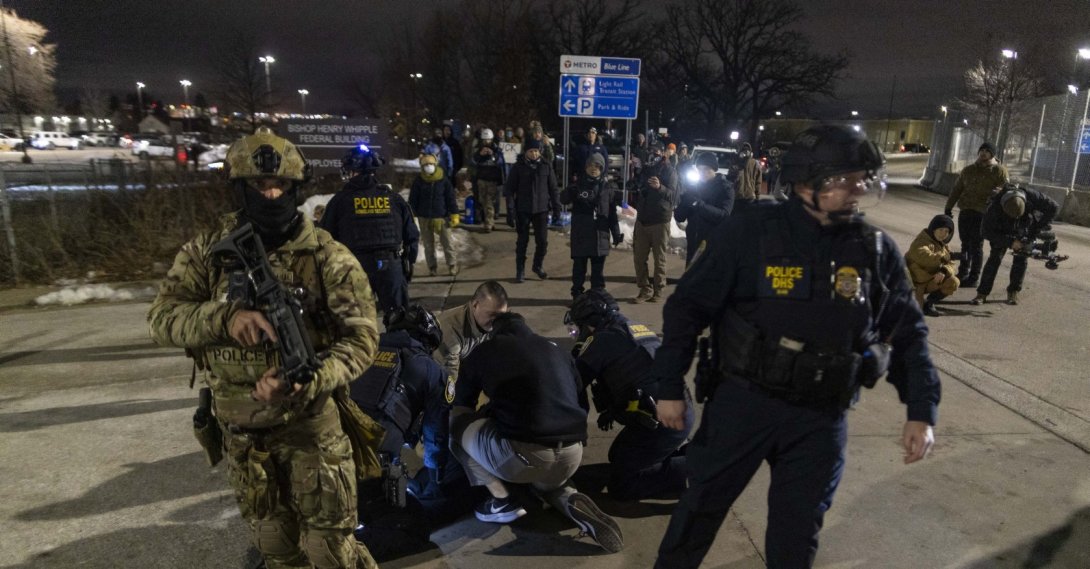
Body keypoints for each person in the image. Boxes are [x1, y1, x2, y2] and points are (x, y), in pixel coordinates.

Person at [650, 125, 940, 569]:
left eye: (864, 178)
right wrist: (668, 385)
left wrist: (921, 409)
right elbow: (687, 308)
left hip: (820, 418)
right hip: (744, 405)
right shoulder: (750, 232)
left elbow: (908, 333)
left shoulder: (872, 249)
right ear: (807, 181)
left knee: (796, 535)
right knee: (697, 514)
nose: (859, 188)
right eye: (847, 178)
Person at [148, 127, 381, 569]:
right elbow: (160, 319)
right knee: (275, 548)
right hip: (244, 440)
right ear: (240, 188)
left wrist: (310, 376)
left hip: (312, 433)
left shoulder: (327, 256)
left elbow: (363, 337)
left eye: (281, 186)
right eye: (259, 185)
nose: (271, 194)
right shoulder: (207, 252)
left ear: (295, 189)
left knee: (331, 553)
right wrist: (224, 318)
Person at [449, 312, 624, 553]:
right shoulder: (558, 350)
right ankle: (570, 498)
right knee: (547, 483)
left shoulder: (488, 349)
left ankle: (501, 500)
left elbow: (462, 404)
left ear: (493, 331)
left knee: (456, 426)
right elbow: (580, 404)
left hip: (523, 456)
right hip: (572, 453)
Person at [566, 290, 693, 500]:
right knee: (617, 457)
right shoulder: (631, 327)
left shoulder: (604, 340)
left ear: (592, 321)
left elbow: (573, 381)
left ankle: (701, 469)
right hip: (673, 414)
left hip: (664, 423)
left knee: (624, 487)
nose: (578, 333)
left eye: (579, 327)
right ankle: (689, 454)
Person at [349, 305, 454, 503]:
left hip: (332, 438)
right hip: (377, 455)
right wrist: (435, 479)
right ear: (429, 339)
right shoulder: (433, 371)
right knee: (391, 512)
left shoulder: (360, 351)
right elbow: (435, 435)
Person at [321, 144, 420, 313]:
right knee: (400, 322)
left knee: (358, 326)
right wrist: (408, 261)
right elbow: (411, 234)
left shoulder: (340, 201)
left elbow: (325, 237)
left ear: (353, 171)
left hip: (354, 269)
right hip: (391, 268)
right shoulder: (393, 199)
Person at [972, 184, 1059, 306]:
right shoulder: (994, 207)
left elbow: (1053, 207)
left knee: (1021, 260)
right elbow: (986, 232)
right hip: (1001, 230)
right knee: (994, 259)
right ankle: (982, 293)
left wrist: (1037, 228)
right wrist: (1010, 242)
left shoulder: (1032, 196)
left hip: (1025, 226)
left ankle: (1013, 291)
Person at [944, 142, 1009, 287]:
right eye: (982, 150)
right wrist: (949, 207)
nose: (983, 153)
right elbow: (957, 189)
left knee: (976, 246)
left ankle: (974, 276)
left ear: (992, 154)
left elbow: (1005, 190)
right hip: (966, 210)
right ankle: (963, 272)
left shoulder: (999, 171)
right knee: (965, 244)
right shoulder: (968, 170)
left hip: (983, 213)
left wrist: (997, 195)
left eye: (987, 151)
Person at [560, 153, 620, 299]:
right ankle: (577, 295)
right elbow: (563, 199)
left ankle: (596, 297)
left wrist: (616, 233)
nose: (594, 169)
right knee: (579, 269)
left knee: (598, 272)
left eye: (598, 166)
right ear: (586, 167)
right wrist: (570, 189)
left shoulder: (608, 188)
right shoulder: (578, 185)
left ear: (602, 169)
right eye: (591, 166)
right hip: (581, 234)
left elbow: (612, 213)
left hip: (600, 235)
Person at [505, 138, 560, 283]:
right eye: (531, 151)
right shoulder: (518, 167)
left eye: (536, 151)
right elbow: (509, 190)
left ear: (540, 151)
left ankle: (537, 265)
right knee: (522, 241)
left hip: (541, 209)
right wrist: (510, 210)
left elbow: (553, 189)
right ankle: (520, 270)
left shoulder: (546, 166)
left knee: (542, 242)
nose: (534, 154)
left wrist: (556, 209)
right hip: (523, 209)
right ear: (526, 152)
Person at [631, 141, 679, 303]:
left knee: (659, 259)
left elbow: (674, 197)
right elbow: (633, 187)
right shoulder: (645, 169)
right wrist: (636, 172)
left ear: (662, 153)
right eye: (650, 152)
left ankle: (658, 290)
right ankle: (645, 288)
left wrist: (660, 187)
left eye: (656, 152)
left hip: (660, 220)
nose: (652, 155)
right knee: (639, 257)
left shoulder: (670, 171)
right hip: (643, 219)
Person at [434, 280, 509, 380]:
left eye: (500, 315)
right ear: (475, 305)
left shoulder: (492, 321)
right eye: (491, 314)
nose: (496, 320)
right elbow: (449, 383)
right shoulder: (451, 331)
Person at [674, 151, 734, 265]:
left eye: (706, 169)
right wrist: (685, 204)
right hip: (693, 246)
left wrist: (699, 205)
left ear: (714, 169)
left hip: (713, 247)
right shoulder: (694, 188)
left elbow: (724, 215)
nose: (703, 173)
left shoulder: (725, 188)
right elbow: (679, 216)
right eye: (700, 169)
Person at [409, 152, 460, 277]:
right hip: (424, 217)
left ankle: (452, 265)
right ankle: (432, 267)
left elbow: (450, 198)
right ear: (422, 166)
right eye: (426, 164)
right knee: (428, 245)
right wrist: (411, 215)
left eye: (431, 163)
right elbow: (413, 200)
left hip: (442, 217)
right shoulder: (418, 181)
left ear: (436, 164)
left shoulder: (443, 180)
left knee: (447, 243)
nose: (429, 166)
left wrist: (454, 214)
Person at [905, 214, 960, 316]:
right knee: (912, 315)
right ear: (933, 229)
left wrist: (943, 270)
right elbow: (925, 257)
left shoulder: (943, 245)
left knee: (953, 282)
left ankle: (929, 303)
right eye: (941, 230)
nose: (943, 234)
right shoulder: (921, 241)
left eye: (947, 231)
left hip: (930, 280)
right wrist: (943, 258)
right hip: (914, 283)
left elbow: (952, 264)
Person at [471, 128, 506, 232]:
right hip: (481, 179)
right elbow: (472, 162)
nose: (487, 142)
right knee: (483, 201)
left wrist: (493, 155)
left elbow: (501, 162)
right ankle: (490, 221)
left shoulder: (496, 149)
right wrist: (480, 155)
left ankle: (488, 223)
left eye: (488, 140)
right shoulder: (478, 149)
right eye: (485, 140)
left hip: (492, 179)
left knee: (489, 202)